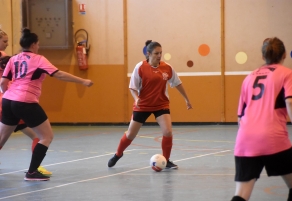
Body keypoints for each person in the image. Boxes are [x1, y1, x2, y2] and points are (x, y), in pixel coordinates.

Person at [0, 28, 93, 181]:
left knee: (1, 139)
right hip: (26, 101)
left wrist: (10, 95)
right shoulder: (38, 59)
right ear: (34, 44)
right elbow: (59, 74)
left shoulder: (13, 59)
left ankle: (32, 172)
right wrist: (82, 81)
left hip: (8, 100)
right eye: (38, 44)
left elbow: (4, 83)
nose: (38, 47)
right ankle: (31, 172)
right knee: (46, 136)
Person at [231, 37, 292, 201]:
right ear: (284, 55)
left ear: (263, 57)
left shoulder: (248, 78)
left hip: (245, 141)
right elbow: (290, 101)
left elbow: (240, 117)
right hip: (274, 138)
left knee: (241, 195)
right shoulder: (288, 74)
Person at [108, 40, 192, 169]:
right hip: (143, 106)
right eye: (156, 53)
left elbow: (177, 83)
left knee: (168, 132)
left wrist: (186, 99)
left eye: (161, 53)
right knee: (130, 134)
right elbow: (132, 87)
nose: (159, 56)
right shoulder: (140, 67)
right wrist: (136, 99)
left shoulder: (167, 68)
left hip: (161, 105)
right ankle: (118, 154)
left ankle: (166, 160)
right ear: (148, 54)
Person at [0, 29, 52, 176]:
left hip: (9, 100)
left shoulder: (9, 58)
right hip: (13, 100)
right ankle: (34, 169)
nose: (7, 44)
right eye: (4, 41)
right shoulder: (10, 59)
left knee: (35, 136)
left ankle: (35, 167)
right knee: (42, 136)